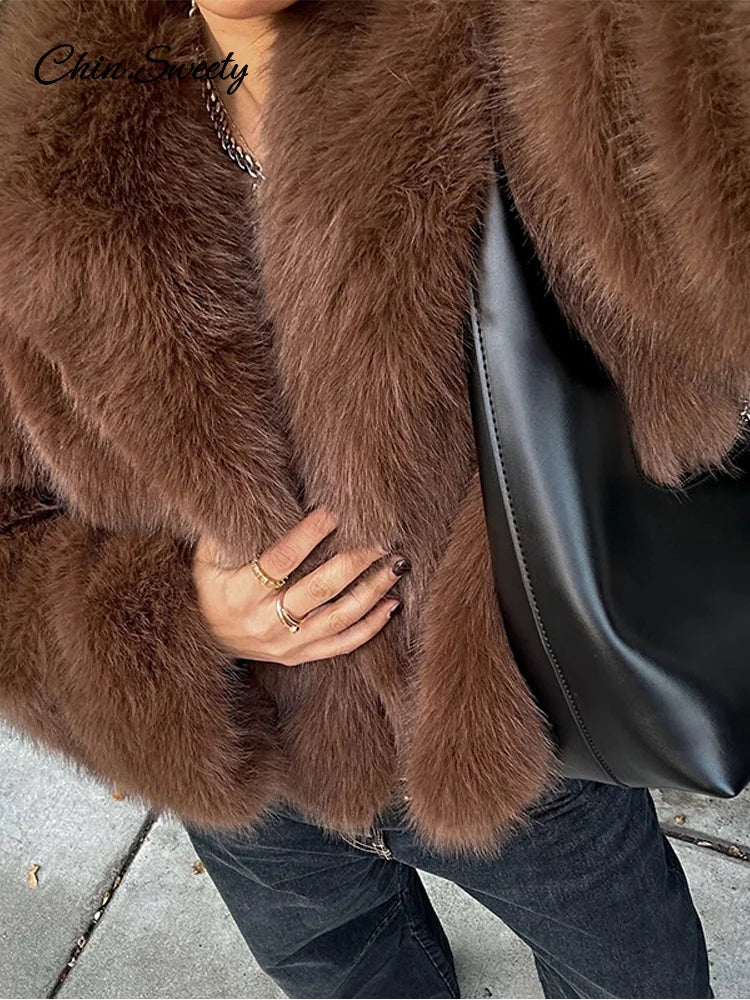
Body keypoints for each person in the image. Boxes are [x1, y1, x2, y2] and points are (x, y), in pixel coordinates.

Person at [1, 0, 748, 995]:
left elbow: (698, 250)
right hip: (255, 779)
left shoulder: (537, 42)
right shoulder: (33, 123)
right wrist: (165, 623)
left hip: (529, 732)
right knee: (344, 972)